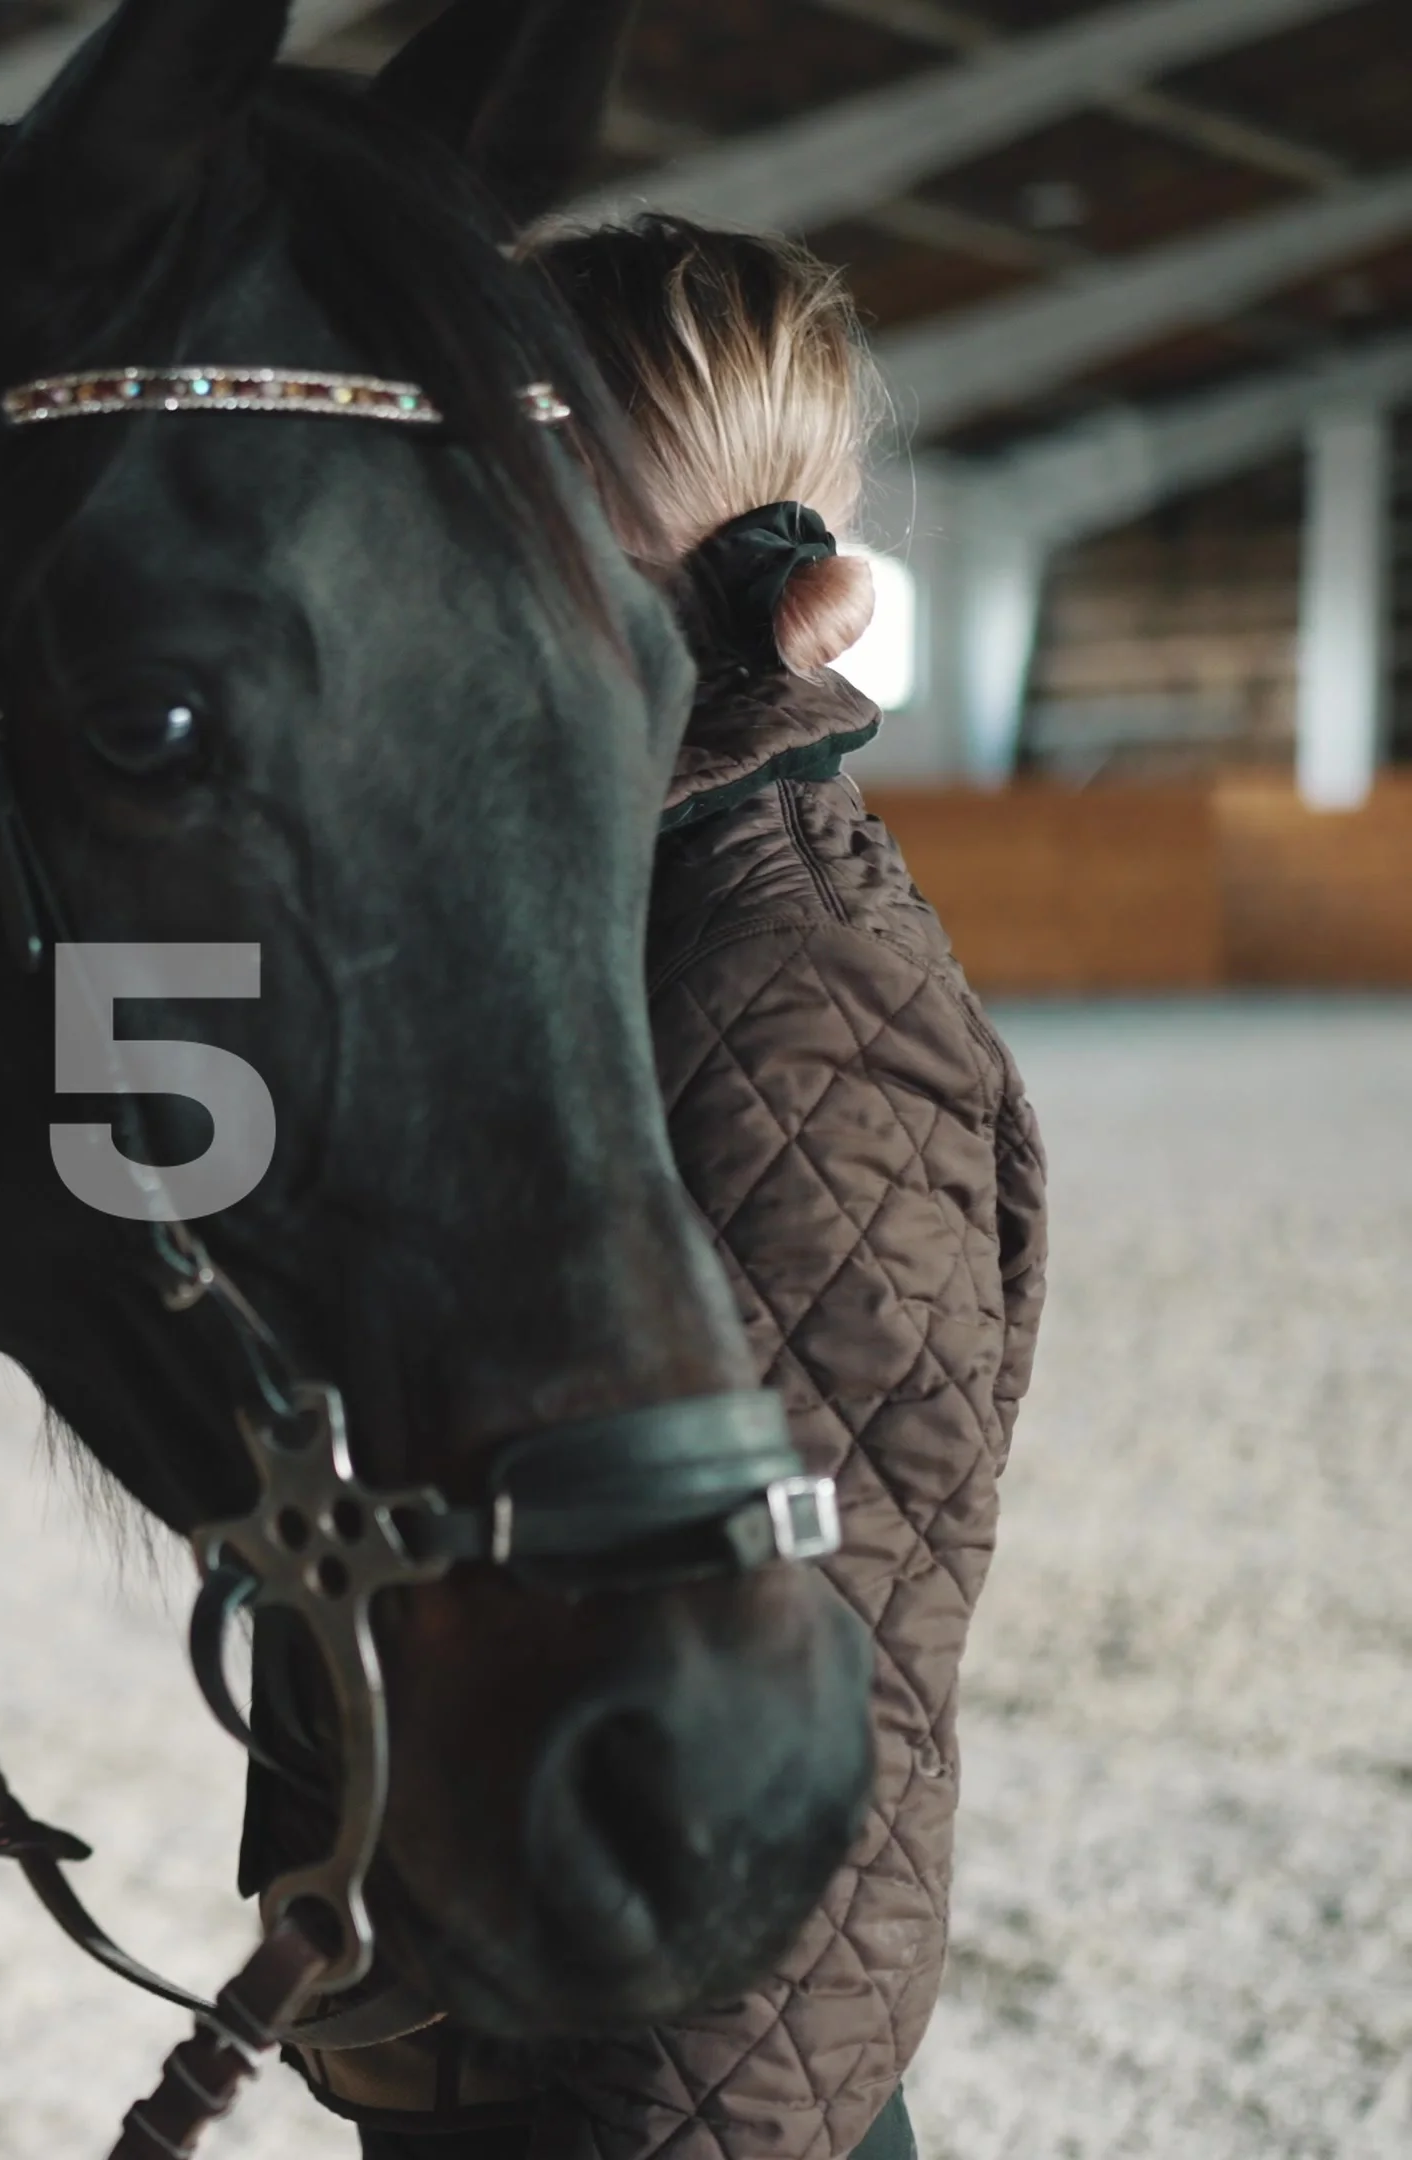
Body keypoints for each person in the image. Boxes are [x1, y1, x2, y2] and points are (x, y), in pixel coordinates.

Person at [286, 216, 1051, 2160]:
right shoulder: (592, 910)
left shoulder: (783, 982)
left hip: (659, 2102)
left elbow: (825, 1675)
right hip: (507, 2012)